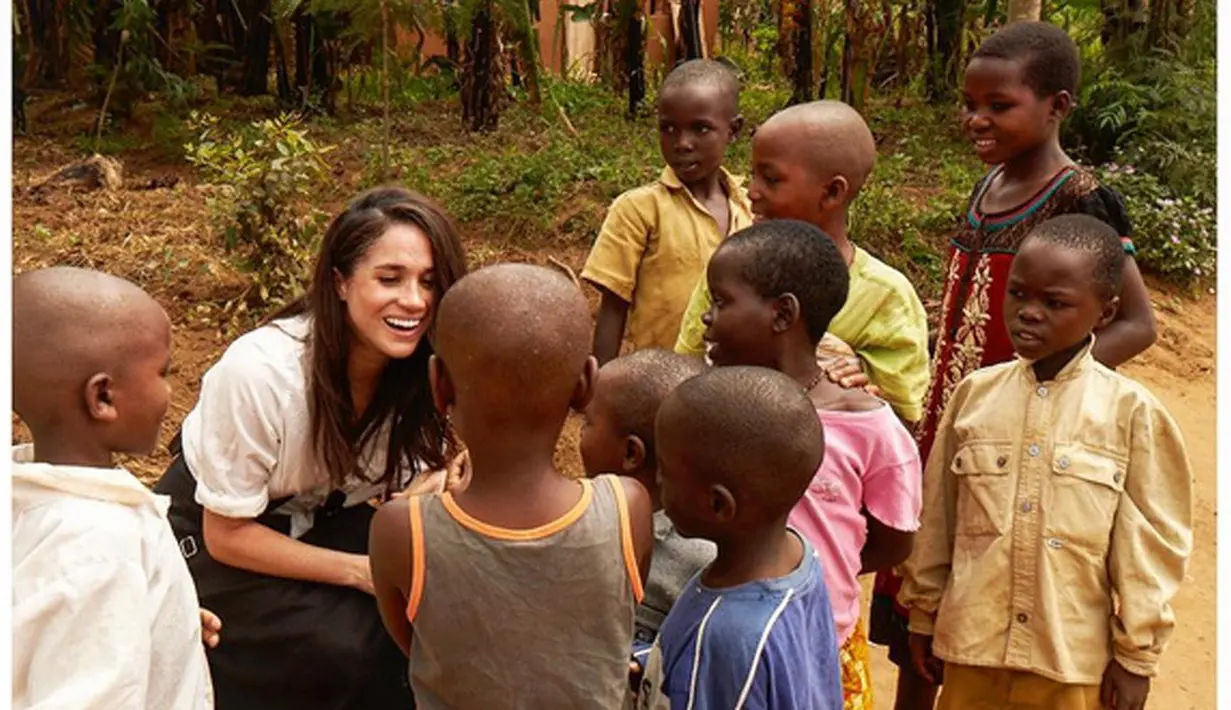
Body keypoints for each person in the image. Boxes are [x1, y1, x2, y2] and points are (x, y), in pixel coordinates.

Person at [871, 23, 1159, 710]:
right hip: (953, 433)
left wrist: (1042, 388)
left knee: (991, 590)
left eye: (998, 106)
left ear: (1056, 106)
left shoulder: (1077, 199)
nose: (975, 118)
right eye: (969, 103)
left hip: (1017, 445)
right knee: (924, 605)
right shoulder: (987, 186)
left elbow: (1136, 321)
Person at [152, 186, 469, 710]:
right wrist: (360, 571)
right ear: (340, 282)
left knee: (431, 605)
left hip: (317, 515)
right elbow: (227, 534)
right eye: (389, 279)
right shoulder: (262, 372)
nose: (414, 301)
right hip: (214, 535)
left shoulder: (421, 373)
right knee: (345, 644)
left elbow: (397, 492)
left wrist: (425, 492)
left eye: (429, 283)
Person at [898, 214, 1192, 710]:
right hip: (974, 649)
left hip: (1071, 661)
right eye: (1018, 295)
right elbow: (938, 519)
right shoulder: (974, 397)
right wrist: (925, 613)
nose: (1028, 313)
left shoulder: (1131, 414)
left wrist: (1137, 656)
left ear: (1105, 313)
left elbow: (1151, 545)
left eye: (1054, 303)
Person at [368, 263, 655, 708]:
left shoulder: (403, 531)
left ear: (439, 385)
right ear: (586, 385)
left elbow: (416, 645)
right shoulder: (626, 508)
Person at [701, 220, 922, 708]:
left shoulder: (870, 428)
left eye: (721, 302)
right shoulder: (706, 409)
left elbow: (895, 538)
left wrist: (814, 568)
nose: (706, 318)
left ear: (782, 314)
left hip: (823, 640)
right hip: (717, 631)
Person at [12, 267, 213, 710]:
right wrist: (119, 600)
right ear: (102, 397)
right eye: (164, 372)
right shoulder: (100, 546)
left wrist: (163, 617)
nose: (171, 390)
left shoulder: (28, 501)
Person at [674, 100, 930, 425]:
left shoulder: (886, 299)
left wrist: (853, 384)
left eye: (771, 179)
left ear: (832, 193)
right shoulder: (728, 270)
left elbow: (900, 424)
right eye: (752, 176)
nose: (752, 192)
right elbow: (686, 371)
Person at [637, 366, 843, 710]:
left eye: (665, 471)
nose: (656, 480)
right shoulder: (801, 558)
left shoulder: (725, 636)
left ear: (718, 504)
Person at [583, 58, 752, 364]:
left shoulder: (752, 208)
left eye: (701, 129)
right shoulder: (637, 209)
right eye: (668, 128)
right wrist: (600, 391)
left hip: (734, 383)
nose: (682, 143)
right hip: (658, 382)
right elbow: (613, 307)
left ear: (734, 130)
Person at [577, 348, 714, 665]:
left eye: (588, 423)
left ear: (630, 454)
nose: (579, 435)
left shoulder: (699, 565)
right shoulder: (713, 551)